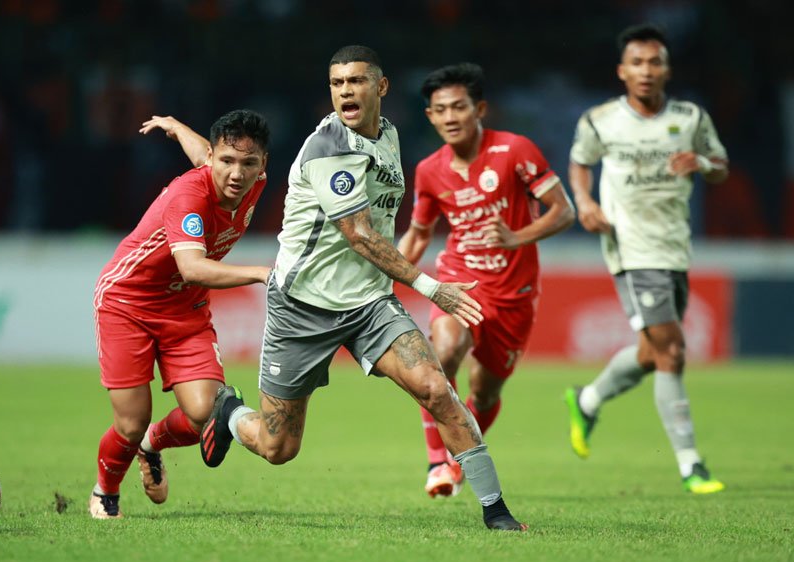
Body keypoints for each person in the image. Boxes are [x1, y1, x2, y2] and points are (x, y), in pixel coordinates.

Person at [201, 45, 527, 531]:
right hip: (302, 307)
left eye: (355, 81)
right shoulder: (331, 148)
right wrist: (431, 287)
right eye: (336, 83)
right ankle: (229, 412)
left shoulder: (388, 135)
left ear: (381, 87)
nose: (345, 91)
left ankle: (495, 509)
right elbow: (359, 234)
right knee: (278, 449)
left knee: (436, 389)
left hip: (370, 304)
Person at [565, 24, 729, 494]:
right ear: (622, 71)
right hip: (631, 247)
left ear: (667, 70)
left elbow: (721, 165)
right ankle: (690, 463)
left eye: (654, 62)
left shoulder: (690, 117)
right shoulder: (600, 120)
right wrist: (585, 202)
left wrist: (701, 164)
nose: (646, 70)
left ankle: (588, 399)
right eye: (637, 63)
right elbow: (580, 162)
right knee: (673, 351)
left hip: (675, 244)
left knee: (652, 351)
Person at [397, 63, 574, 498]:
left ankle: (461, 453)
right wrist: (384, 274)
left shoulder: (516, 150)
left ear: (480, 110)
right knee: (445, 349)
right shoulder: (429, 170)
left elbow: (562, 210)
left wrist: (518, 237)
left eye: (460, 107)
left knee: (486, 390)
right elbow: (420, 232)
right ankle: (439, 460)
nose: (451, 117)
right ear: (430, 117)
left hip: (515, 293)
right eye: (441, 110)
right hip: (461, 278)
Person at [89, 110, 271, 518]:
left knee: (208, 413)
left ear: (263, 165)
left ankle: (151, 445)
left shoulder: (252, 182)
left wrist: (175, 127)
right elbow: (192, 267)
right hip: (127, 304)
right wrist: (261, 273)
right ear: (213, 161)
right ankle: (106, 491)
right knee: (131, 422)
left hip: (185, 310)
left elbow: (205, 151)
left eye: (248, 163)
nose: (236, 173)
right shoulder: (190, 196)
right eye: (226, 162)